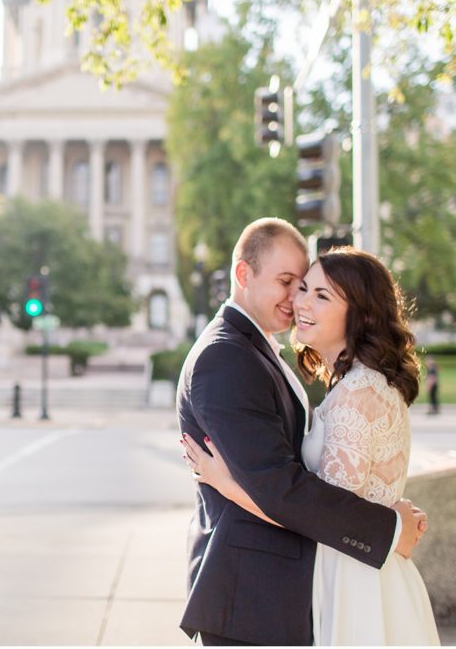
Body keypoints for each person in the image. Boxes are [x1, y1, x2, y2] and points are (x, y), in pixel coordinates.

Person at [175, 218, 427, 646]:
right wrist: (387, 529)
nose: (297, 299)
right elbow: (277, 486)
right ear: (243, 275)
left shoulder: (267, 354)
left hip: (296, 589)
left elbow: (291, 481)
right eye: (289, 282)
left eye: (309, 287)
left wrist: (232, 483)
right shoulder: (226, 357)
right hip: (253, 597)